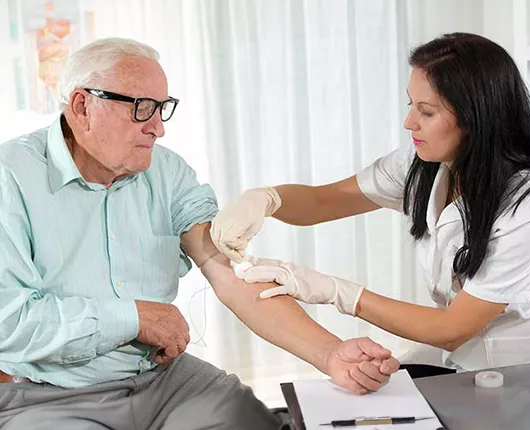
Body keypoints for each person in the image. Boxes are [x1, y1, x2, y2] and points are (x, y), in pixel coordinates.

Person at [0, 38, 400, 430]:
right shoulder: (10, 178)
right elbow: (9, 321)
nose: (157, 128)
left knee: (249, 420)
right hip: (46, 394)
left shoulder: (167, 172)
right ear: (83, 106)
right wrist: (132, 318)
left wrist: (330, 353)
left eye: (162, 109)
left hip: (162, 381)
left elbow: (228, 272)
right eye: (141, 109)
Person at [211, 32, 530, 375]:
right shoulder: (421, 166)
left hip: (519, 372)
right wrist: (267, 199)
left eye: (426, 112)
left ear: (476, 116)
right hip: (459, 359)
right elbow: (320, 202)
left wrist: (336, 292)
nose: (409, 123)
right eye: (410, 105)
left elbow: (453, 329)